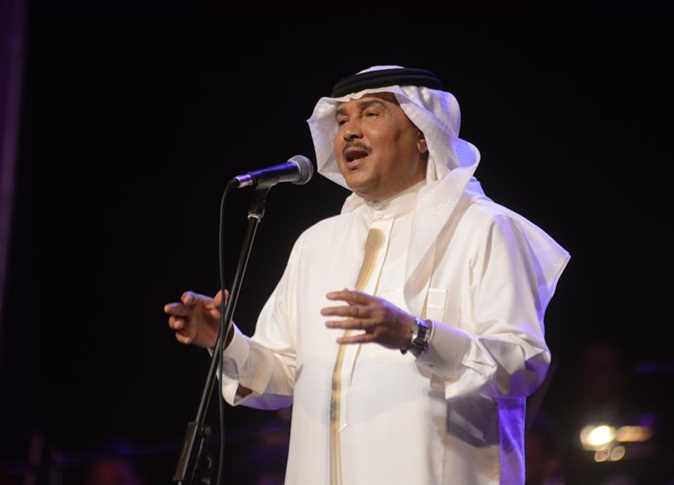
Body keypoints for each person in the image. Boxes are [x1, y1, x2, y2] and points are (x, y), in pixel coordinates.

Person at [164, 66, 570, 485]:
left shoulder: (484, 228)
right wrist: (224, 342)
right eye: (342, 120)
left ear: (423, 133)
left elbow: (522, 363)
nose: (349, 132)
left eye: (371, 114)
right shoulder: (317, 243)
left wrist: (416, 335)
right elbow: (283, 375)